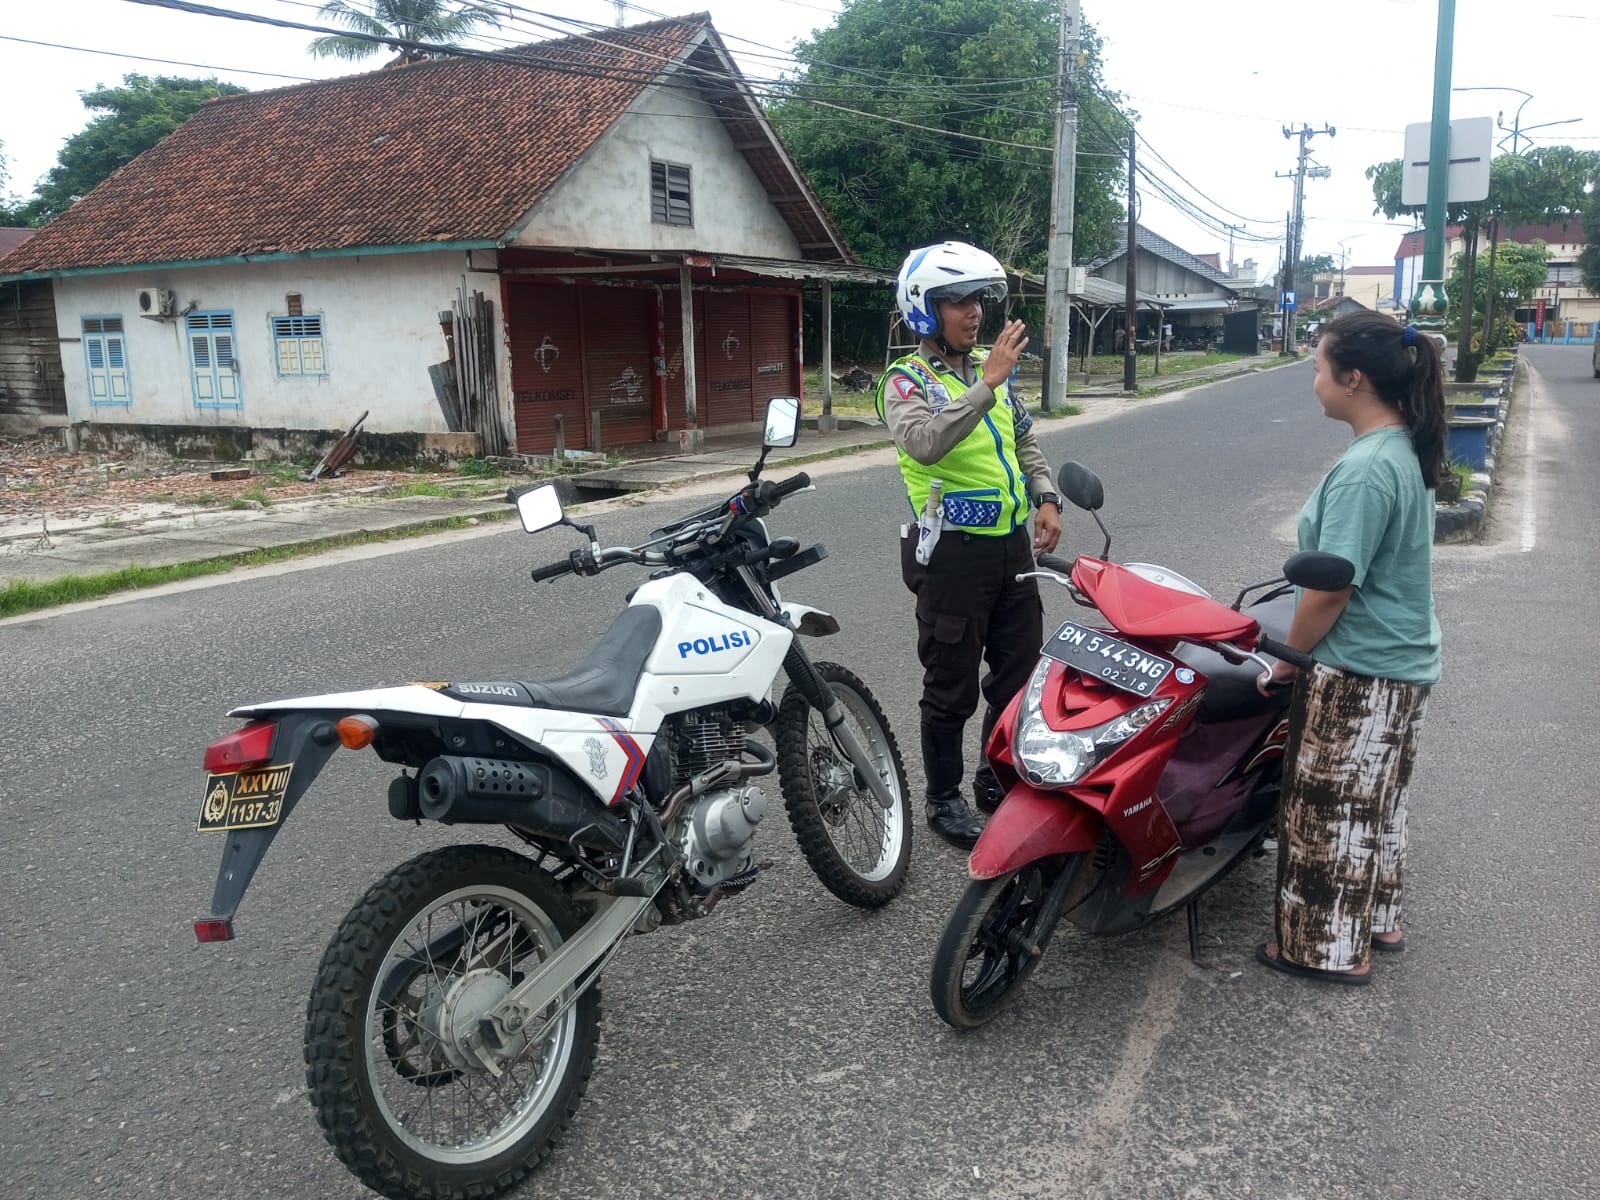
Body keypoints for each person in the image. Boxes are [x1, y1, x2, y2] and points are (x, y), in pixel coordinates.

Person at [1255, 310, 1446, 984]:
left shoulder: (1367, 470)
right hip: (1404, 662)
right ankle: (1381, 919)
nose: (1314, 382)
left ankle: (1323, 950)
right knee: (1379, 802)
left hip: (1361, 669)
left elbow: (1332, 589)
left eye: (1317, 368)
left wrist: (1284, 659)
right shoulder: (1404, 446)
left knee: (1328, 815)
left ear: (1354, 377)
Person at [875, 241, 1062, 850]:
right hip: (952, 557)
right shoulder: (904, 382)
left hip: (1012, 551)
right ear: (926, 310)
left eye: (977, 298)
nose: (972, 311)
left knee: (1018, 673)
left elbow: (1025, 441)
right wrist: (984, 385)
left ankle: (992, 773)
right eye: (956, 300)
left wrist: (1046, 496)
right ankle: (943, 796)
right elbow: (926, 443)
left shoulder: (994, 371)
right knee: (950, 683)